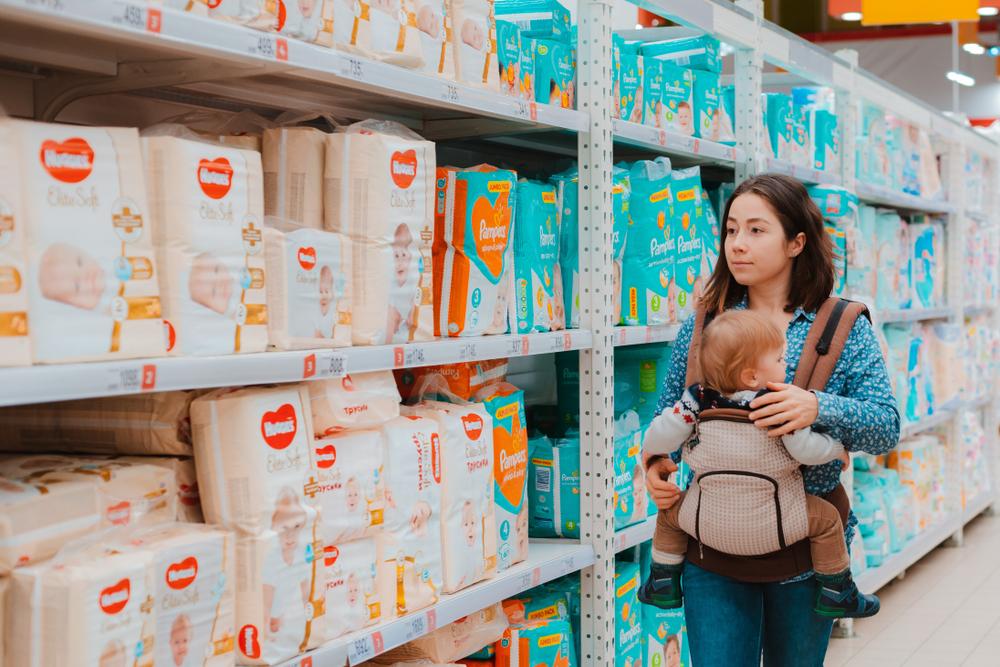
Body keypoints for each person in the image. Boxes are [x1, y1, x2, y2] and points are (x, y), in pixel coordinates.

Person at [643, 173, 898, 666]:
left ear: (796, 242)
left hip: (804, 558)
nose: (737, 244)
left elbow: (885, 426)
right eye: (731, 230)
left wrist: (818, 406)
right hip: (712, 546)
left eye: (756, 231)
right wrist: (656, 465)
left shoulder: (842, 325)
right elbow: (668, 417)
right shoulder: (704, 324)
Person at [638, 310, 878, 618]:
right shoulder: (774, 404)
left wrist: (653, 453)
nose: (786, 365)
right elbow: (806, 450)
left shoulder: (696, 399)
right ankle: (836, 590)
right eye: (779, 360)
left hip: (707, 525)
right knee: (829, 519)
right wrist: (836, 449)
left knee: (670, 514)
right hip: (777, 526)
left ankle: (662, 582)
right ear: (752, 376)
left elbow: (661, 435)